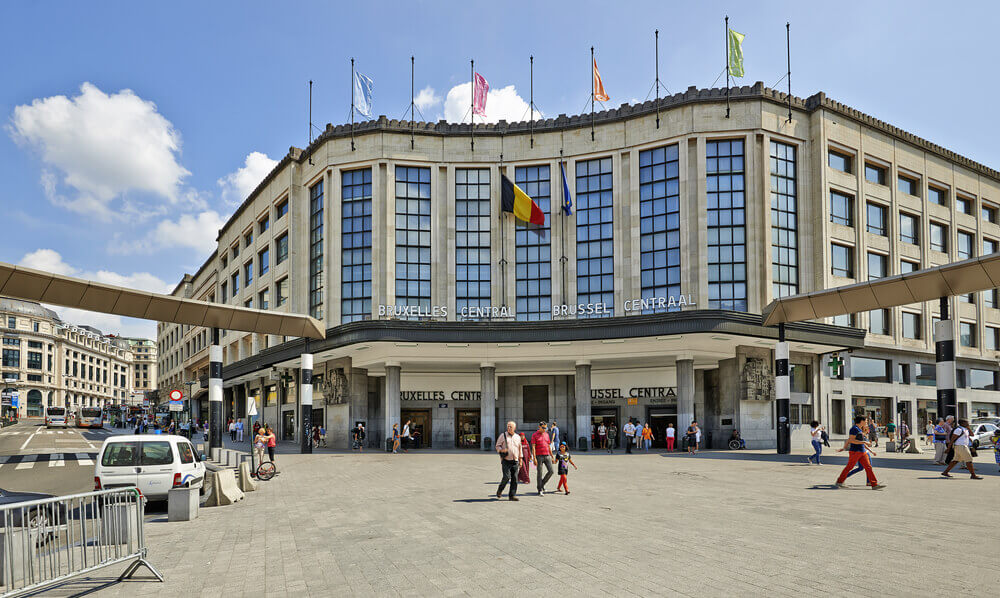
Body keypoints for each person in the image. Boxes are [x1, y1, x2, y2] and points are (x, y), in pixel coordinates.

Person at [835, 415, 885, 489]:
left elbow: (857, 439)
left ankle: (874, 484)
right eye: (866, 421)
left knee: (868, 467)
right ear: (861, 421)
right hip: (855, 451)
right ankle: (839, 481)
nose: (866, 422)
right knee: (849, 467)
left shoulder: (859, 429)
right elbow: (851, 440)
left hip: (862, 451)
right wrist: (864, 442)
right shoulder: (854, 429)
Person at [495, 421, 521, 501]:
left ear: (514, 428)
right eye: (508, 426)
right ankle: (500, 490)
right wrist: (501, 450)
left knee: (515, 479)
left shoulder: (517, 437)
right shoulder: (503, 435)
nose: (509, 428)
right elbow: (497, 445)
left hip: (515, 460)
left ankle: (512, 495)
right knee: (506, 477)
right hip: (506, 460)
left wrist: (521, 459)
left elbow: (520, 448)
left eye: (511, 427)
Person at [531, 421, 554, 495]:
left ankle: (542, 484)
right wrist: (534, 458)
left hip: (547, 455)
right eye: (543, 428)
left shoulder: (547, 435)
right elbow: (533, 447)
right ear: (539, 427)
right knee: (539, 473)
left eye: (546, 428)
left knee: (551, 471)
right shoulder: (534, 435)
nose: (545, 429)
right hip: (539, 456)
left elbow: (548, 446)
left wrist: (552, 456)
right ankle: (540, 489)